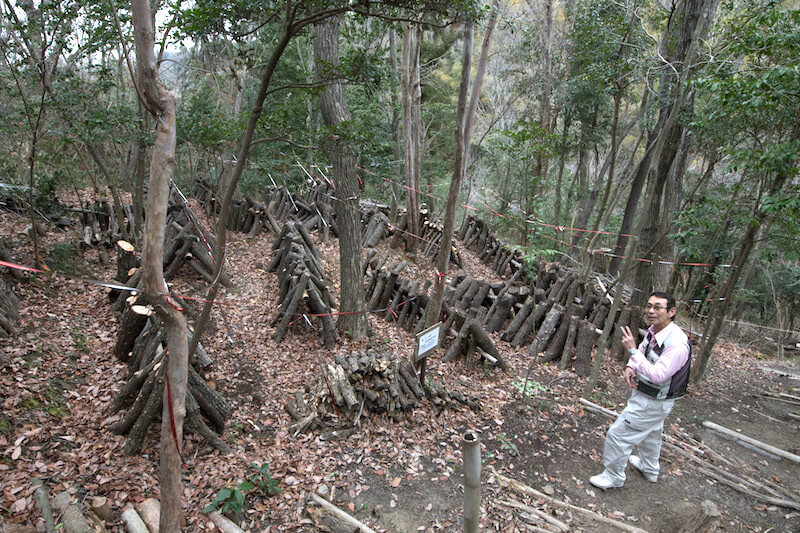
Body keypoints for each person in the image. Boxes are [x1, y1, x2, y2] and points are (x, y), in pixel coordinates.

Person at [589, 291, 691, 489]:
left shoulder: (676, 344)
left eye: (657, 307)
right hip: (650, 396)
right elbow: (643, 350)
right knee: (651, 433)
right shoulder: (656, 330)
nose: (651, 311)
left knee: (618, 435)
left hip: (654, 401)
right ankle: (649, 467)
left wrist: (632, 351)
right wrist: (630, 365)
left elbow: (658, 374)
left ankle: (613, 476)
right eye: (649, 306)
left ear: (671, 312)